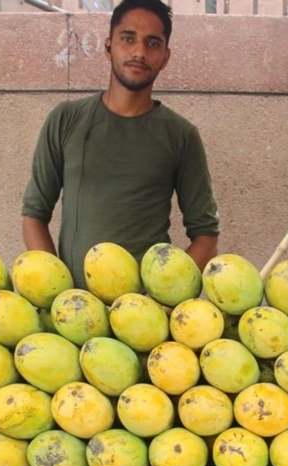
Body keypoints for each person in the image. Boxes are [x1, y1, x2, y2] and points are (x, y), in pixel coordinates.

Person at [20, 0, 220, 290]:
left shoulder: (181, 135)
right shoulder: (66, 120)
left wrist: (163, 300)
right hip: (73, 312)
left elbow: (206, 236)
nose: (139, 51)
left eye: (153, 43)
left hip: (144, 320)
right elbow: (34, 214)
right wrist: (57, 292)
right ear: (108, 46)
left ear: (165, 57)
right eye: (128, 39)